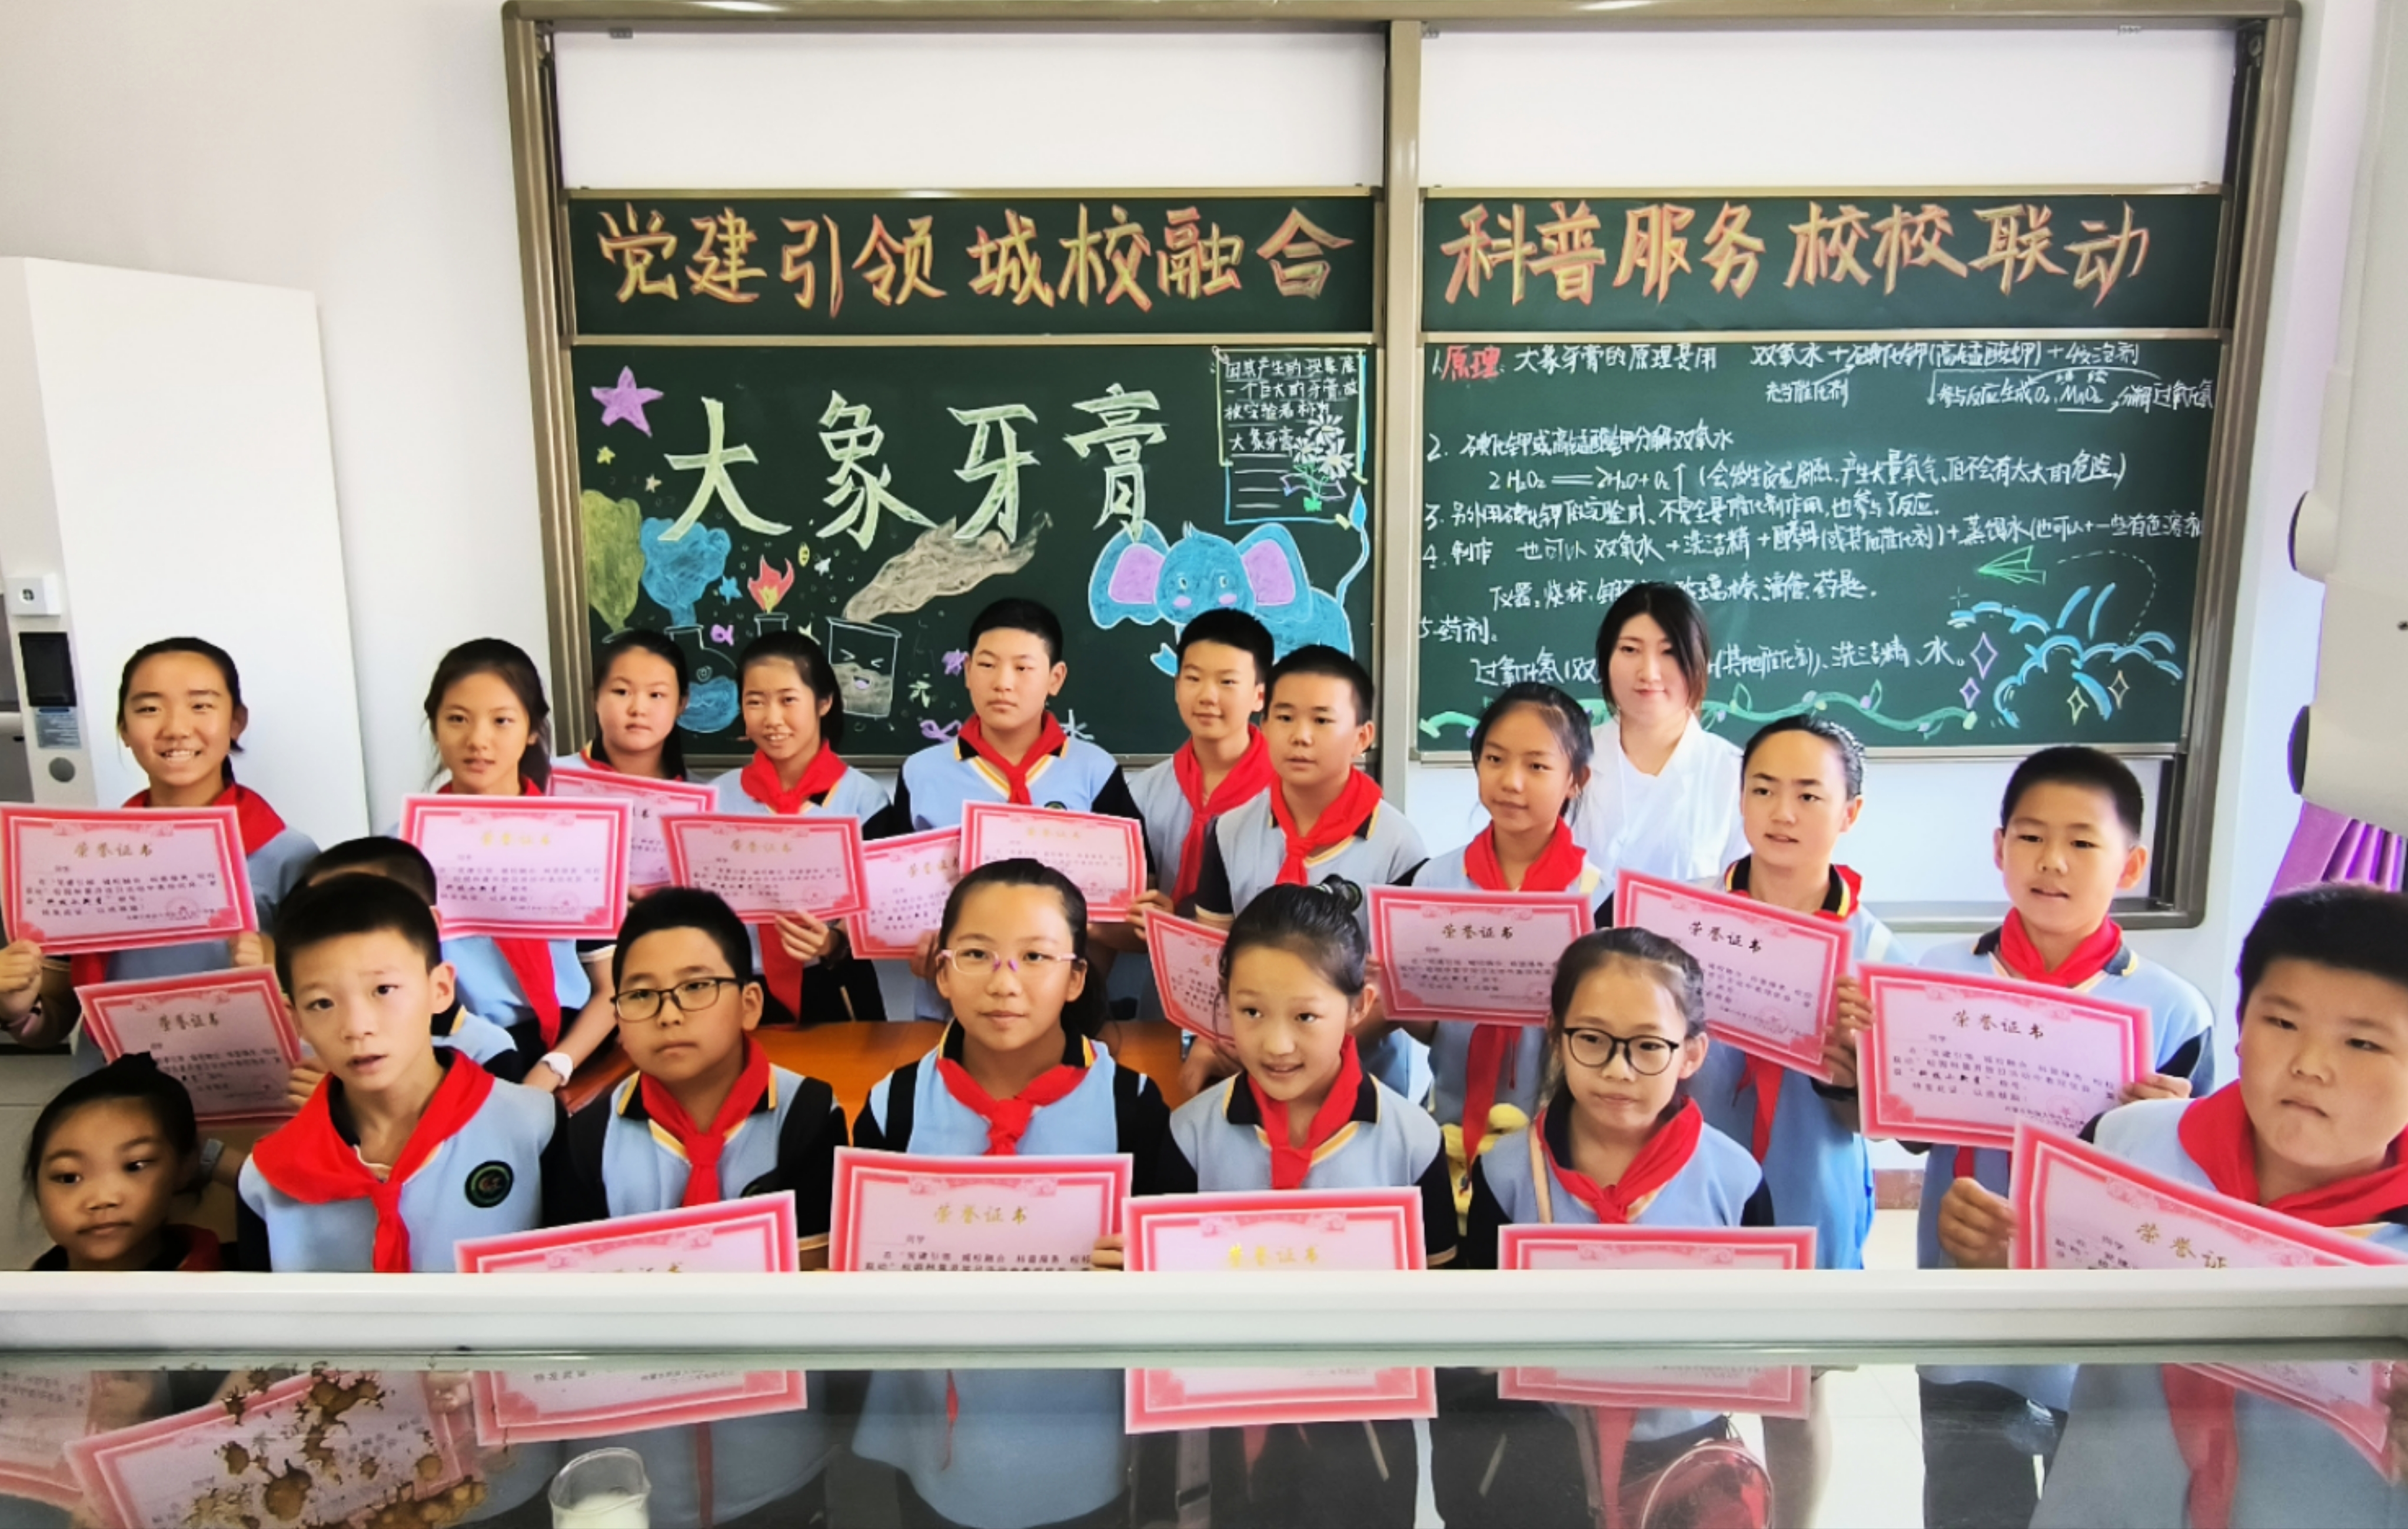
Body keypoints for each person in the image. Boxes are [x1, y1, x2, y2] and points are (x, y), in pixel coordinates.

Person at [1935, 885, 2408, 1527]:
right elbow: (2055, 1315)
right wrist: (1998, 1258)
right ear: (2240, 1029)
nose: (2311, 1065)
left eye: (2363, 1044)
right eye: (2282, 1023)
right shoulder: (2129, 1145)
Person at [1914, 744, 2218, 1529]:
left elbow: (2207, 1194)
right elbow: (1908, 1136)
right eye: (2030, 836)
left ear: (2131, 864)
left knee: (2098, 1509)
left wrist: (2171, 1129)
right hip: (1964, 1310)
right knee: (1968, 1506)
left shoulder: (2173, 1009)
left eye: (2083, 841)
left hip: (2099, 1331)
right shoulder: (1938, 974)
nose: (2052, 861)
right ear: (1999, 846)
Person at [850, 860, 1177, 1529]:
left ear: (1076, 977)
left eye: (1035, 957)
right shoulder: (896, 1105)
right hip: (935, 1432)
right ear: (942, 972)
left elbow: (1174, 1276)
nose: (1005, 983)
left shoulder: (1131, 1106)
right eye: (977, 955)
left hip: (1080, 1435)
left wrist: (1147, 1264)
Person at [1146, 883, 1455, 1527]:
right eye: (1251, 1012)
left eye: (1306, 1017)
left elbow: (1442, 1308)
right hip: (1226, 1427)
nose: (1276, 1044)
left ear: (1359, 1005)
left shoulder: (1411, 1140)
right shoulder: (1190, 1136)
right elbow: (1160, 1305)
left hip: (1367, 1438)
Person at [1446, 928, 1772, 1529]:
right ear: (1556, 1036)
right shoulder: (1509, 1173)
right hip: (1543, 1451)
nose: (1619, 1069)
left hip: (1684, 1456)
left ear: (1691, 1053)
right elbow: (1481, 1345)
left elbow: (1761, 1337)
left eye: (1648, 1046)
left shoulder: (1735, 1180)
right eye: (1592, 1039)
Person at [549, 888, 849, 1529]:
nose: (668, 1014)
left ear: (749, 1004)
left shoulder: (812, 1119)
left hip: (778, 1459)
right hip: (635, 1469)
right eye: (641, 994)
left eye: (695, 987)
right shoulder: (585, 1137)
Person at [1690, 715, 1892, 1527]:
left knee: (1796, 1390)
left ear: (1850, 812)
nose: (1782, 811)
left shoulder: (1877, 949)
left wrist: (1852, 1072)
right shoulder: (1684, 917)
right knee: (1683, 1377)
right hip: (1693, 1177)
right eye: (1764, 789)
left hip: (1811, 1182)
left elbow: (1889, 1118)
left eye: (1809, 794)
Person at [234, 874, 571, 1271]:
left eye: (384, 990)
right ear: (296, 1020)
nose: (357, 1027)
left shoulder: (533, 1125)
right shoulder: (267, 1178)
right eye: (322, 1004)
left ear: (440, 989)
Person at [21, 639, 318, 1074]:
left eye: (201, 706)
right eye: (149, 709)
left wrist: (277, 970)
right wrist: (16, 1010)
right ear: (124, 728)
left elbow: (328, 1005)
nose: (176, 728)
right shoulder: (82, 858)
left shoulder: (288, 855)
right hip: (118, 1093)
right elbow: (56, 1016)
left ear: (236, 721)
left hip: (253, 1091)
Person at [873, 599, 1148, 1022]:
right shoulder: (921, 773)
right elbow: (891, 903)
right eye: (987, 665)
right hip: (951, 1014)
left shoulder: (1095, 772)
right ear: (967, 671)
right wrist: (916, 945)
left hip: (1068, 1017)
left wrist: (1082, 925)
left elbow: (1136, 918)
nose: (1003, 682)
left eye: (1023, 668)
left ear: (1055, 678)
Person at [1187, 644, 1428, 1098]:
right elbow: (1212, 958)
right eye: (1284, 717)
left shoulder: (1399, 846)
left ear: (1362, 737)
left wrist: (1304, 1052)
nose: (1300, 736)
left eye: (1321, 720)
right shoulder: (1230, 830)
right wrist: (1219, 1043)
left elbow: (1399, 991)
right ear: (1263, 725)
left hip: (1362, 1081)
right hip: (1253, 1070)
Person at [1406, 683, 1605, 1223]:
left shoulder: (1598, 899)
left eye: (1537, 766)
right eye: (1495, 759)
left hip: (1561, 1145)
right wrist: (1398, 996)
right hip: (1447, 1124)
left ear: (1576, 779)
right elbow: (1431, 1028)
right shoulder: (1433, 884)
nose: (1511, 781)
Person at [418, 638, 614, 1091]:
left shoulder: (576, 839)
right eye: (457, 719)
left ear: (532, 729)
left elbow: (611, 990)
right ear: (435, 726)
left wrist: (552, 1069)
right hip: (448, 1054)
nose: (477, 740)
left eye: (501, 721)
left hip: (567, 1050)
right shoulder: (404, 847)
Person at [713, 630, 890, 1025]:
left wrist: (834, 941)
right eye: (755, 701)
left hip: (836, 986)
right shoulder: (715, 800)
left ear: (824, 702)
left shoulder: (864, 800)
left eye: (788, 700)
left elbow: (880, 906)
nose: (772, 719)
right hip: (738, 992)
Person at [291, 837, 525, 1083]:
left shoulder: (484, 1050)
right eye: (319, 914)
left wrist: (337, 1099)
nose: (357, 1028)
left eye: (363, 911)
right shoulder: (308, 1044)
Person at [1570, 583, 1747, 882]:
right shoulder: (1567, 759)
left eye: (1670, 652)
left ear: (1698, 662)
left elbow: (1746, 892)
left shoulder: (1736, 776)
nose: (1649, 673)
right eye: (1630, 650)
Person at [1126, 609, 1278, 920]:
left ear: (1260, 696)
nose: (1208, 696)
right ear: (1177, 687)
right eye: (1194, 679)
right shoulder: (1143, 793)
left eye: (1227, 682)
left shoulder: (1288, 792)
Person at [26, 1054, 220, 1272]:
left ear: (184, 1167)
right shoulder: (19, 1291)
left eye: (135, 1167)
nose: (102, 1200)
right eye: (69, 1177)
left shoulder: (222, 1284)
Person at [558, 628, 691, 779]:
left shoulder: (701, 791)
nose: (638, 709)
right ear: (595, 698)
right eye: (622, 692)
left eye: (656, 695)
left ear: (681, 704)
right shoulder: (551, 781)